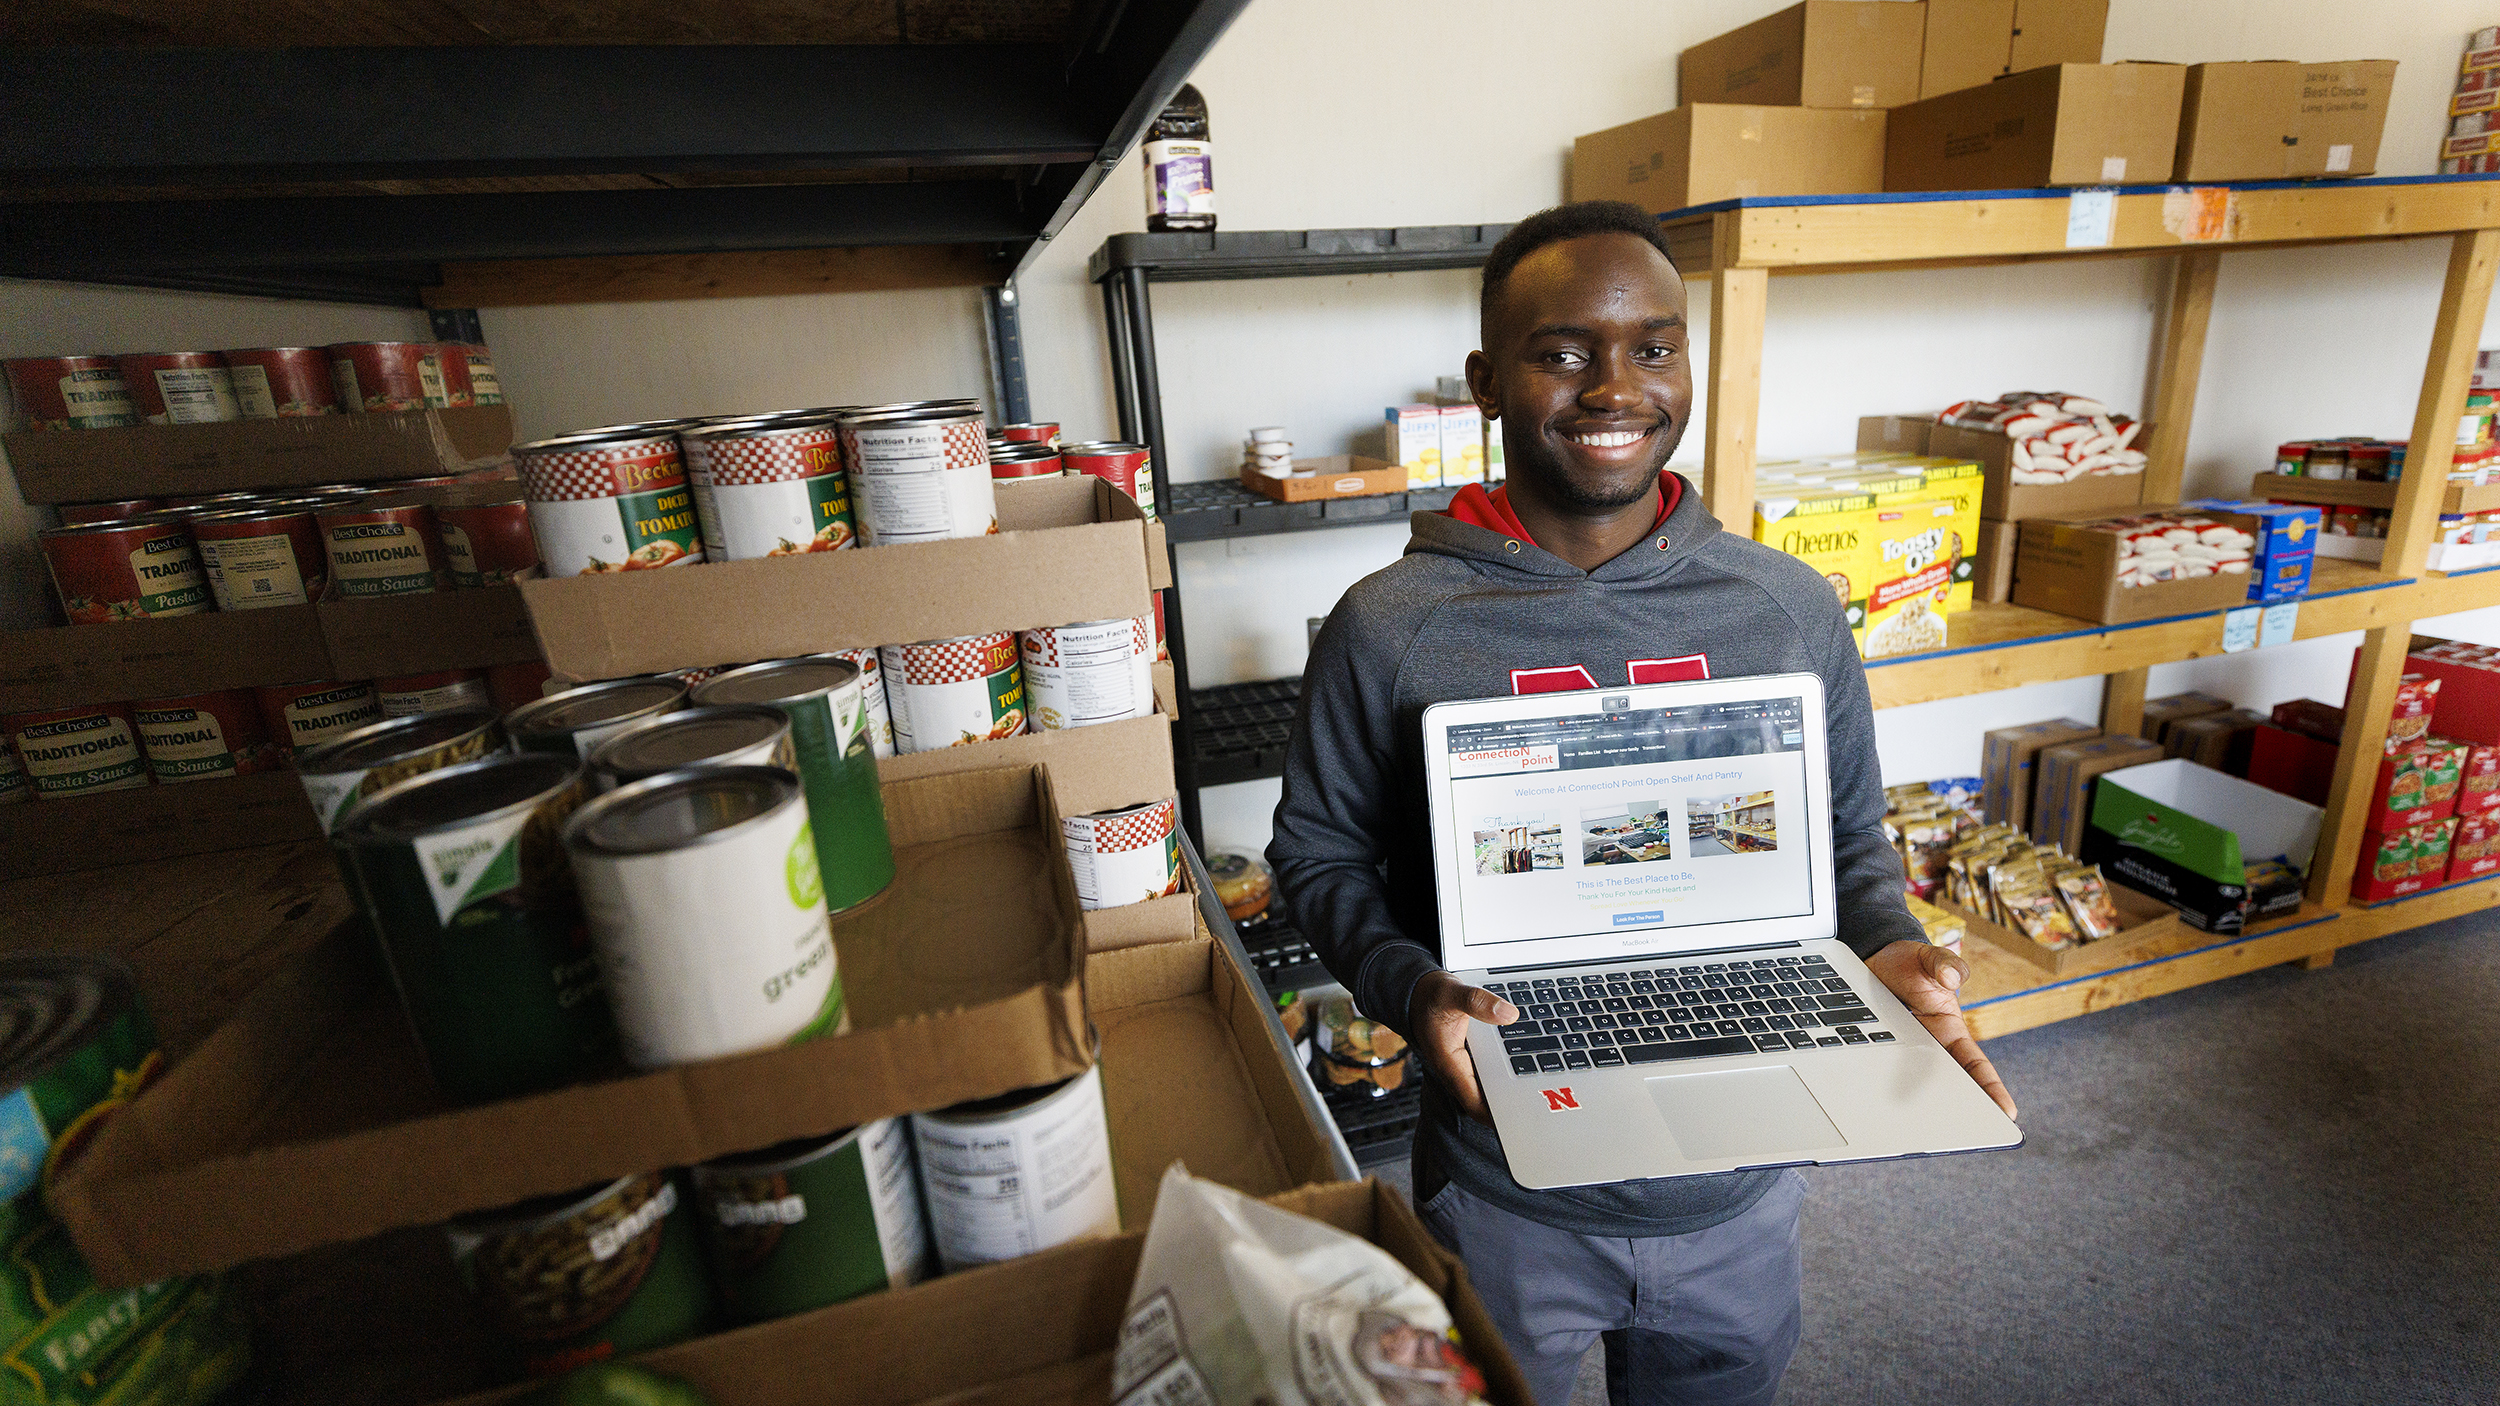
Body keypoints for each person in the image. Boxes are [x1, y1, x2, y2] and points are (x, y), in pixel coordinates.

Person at [1267, 201, 2019, 1406]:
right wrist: (1408, 984)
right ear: (1487, 381)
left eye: (1653, 348)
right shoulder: (1391, 625)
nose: (1614, 387)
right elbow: (1315, 850)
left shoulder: (1784, 607)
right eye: (1562, 351)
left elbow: (1846, 830)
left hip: (1741, 1181)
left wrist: (1887, 945)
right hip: (1503, 1173)